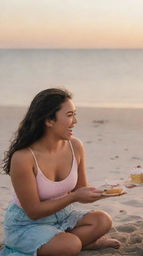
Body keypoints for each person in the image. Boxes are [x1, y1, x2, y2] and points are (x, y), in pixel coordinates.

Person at [0, 88, 121, 256]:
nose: (75, 121)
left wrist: (112, 190)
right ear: (49, 120)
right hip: (27, 224)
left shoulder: (75, 146)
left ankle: (72, 242)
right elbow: (33, 212)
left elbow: (81, 190)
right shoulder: (23, 158)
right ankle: (75, 243)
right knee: (70, 245)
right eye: (70, 115)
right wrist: (73, 197)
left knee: (102, 220)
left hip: (62, 215)